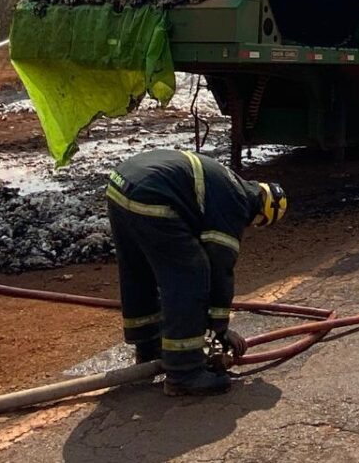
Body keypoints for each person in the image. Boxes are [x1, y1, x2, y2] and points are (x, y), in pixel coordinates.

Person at [106, 148, 288, 396]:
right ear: (260, 212)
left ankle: (148, 345)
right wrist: (220, 328)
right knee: (190, 274)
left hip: (120, 184)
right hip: (151, 194)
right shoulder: (236, 202)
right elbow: (220, 269)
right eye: (257, 223)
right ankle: (184, 372)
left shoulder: (228, 181)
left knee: (139, 270)